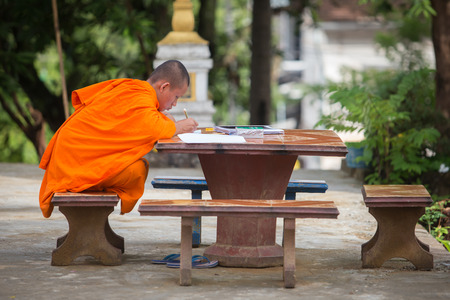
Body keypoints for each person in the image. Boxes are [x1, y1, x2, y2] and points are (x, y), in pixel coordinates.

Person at [39, 60, 198, 218]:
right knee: (136, 170)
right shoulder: (141, 96)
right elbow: (153, 129)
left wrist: (168, 122)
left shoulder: (136, 90)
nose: (175, 104)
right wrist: (179, 127)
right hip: (72, 161)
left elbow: (146, 122)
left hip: (72, 155)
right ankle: (88, 193)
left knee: (136, 167)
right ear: (164, 87)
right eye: (176, 97)